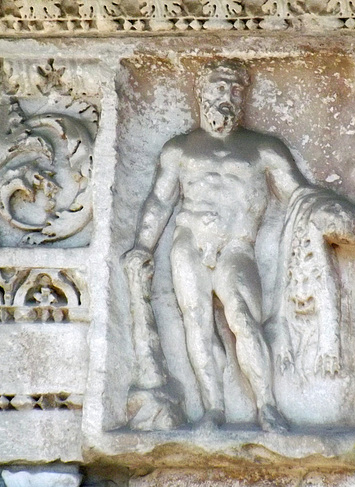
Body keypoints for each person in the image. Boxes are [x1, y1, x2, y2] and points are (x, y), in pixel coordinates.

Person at [123, 59, 331, 433]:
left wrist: (327, 209)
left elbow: (296, 192)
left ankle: (267, 406)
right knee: (197, 323)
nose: (227, 98)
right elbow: (159, 201)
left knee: (244, 320)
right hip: (189, 242)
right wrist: (142, 245)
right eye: (219, 88)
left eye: (235, 91)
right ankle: (213, 409)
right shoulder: (179, 149)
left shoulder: (264, 148)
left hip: (237, 246)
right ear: (202, 92)